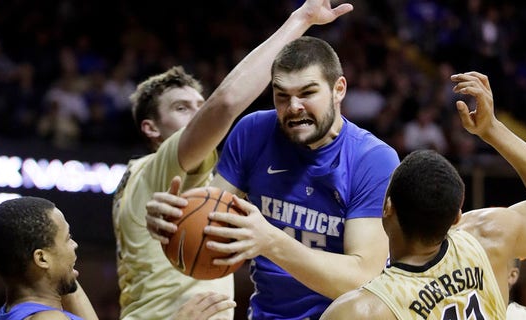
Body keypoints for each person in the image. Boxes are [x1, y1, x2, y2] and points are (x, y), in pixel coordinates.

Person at [112, 1, 354, 319]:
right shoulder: (162, 167)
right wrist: (301, 20)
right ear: (151, 128)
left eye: (200, 105)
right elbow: (224, 104)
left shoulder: (154, 181)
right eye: (182, 108)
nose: (198, 116)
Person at [147, 35, 401, 319]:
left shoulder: (374, 158)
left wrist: (271, 241)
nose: (294, 106)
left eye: (307, 93)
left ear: (338, 89)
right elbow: (211, 222)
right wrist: (176, 220)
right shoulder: (253, 131)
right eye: (282, 95)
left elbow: (362, 279)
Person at [318, 71, 526, 319]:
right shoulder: (487, 238)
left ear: (387, 207)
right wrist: (491, 129)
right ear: (457, 216)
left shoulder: (362, 309)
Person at [0, 197, 235, 320]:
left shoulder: (13, 312)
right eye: (68, 238)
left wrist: (62, 272)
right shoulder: (47, 319)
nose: (75, 246)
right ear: (42, 258)